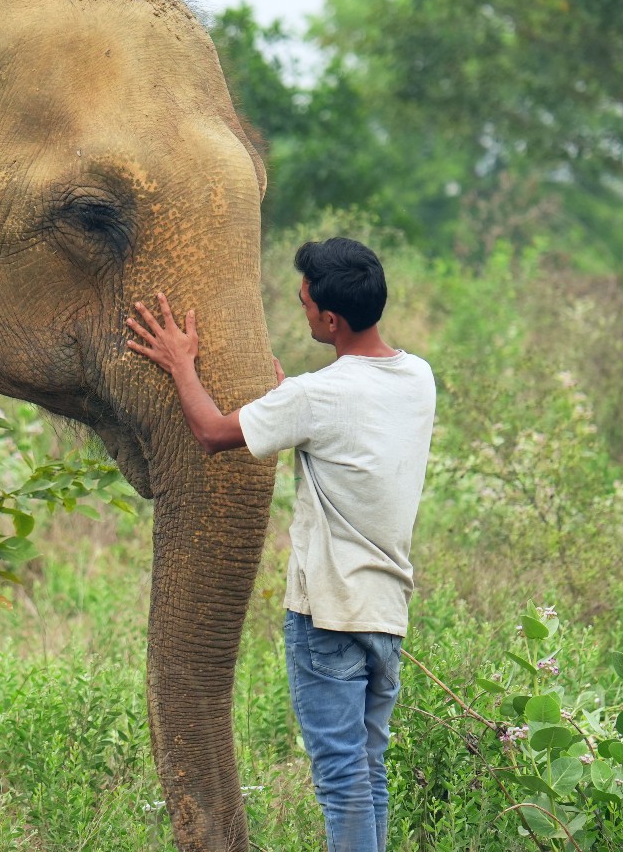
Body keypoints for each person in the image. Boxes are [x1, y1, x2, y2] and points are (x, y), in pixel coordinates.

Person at [124, 236, 435, 852]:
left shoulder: (318, 396)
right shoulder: (417, 377)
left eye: (303, 304)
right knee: (368, 768)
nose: (301, 311)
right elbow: (348, 426)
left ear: (330, 319)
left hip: (327, 614)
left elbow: (212, 434)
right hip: (386, 613)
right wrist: (288, 396)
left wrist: (182, 363)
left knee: (341, 776)